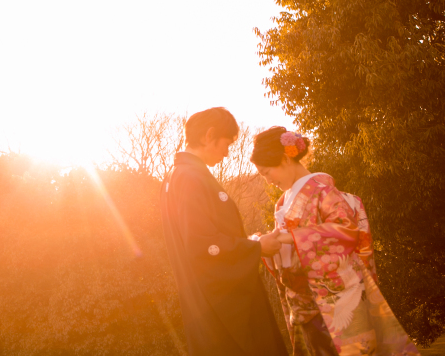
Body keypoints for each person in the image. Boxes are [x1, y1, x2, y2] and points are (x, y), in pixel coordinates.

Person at [251, 126, 420, 356]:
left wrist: (292, 238)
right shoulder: (281, 204)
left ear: (283, 159)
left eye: (266, 172)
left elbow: (346, 231)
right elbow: (286, 249)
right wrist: (266, 244)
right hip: (302, 308)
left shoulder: (323, 191)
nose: (268, 181)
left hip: (332, 307)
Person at [160, 107, 289, 356]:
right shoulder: (189, 177)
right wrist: (258, 247)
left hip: (202, 302)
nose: (228, 153)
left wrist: (252, 242)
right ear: (209, 136)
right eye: (226, 144)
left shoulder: (176, 175)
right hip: (219, 307)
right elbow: (202, 244)